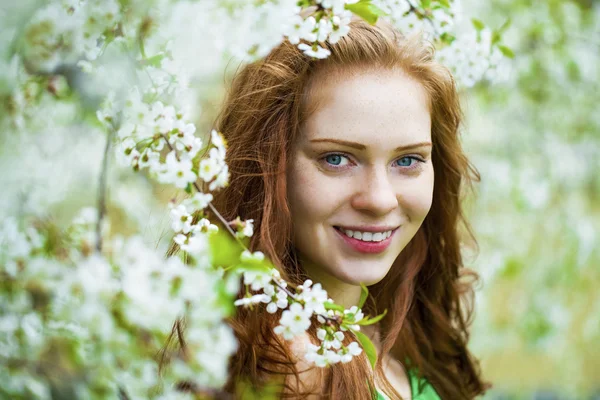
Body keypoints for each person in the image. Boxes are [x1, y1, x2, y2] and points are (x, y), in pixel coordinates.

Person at [209, 17, 490, 399]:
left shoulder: (404, 331)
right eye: (337, 159)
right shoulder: (290, 370)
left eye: (407, 161)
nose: (379, 199)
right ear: (266, 167)